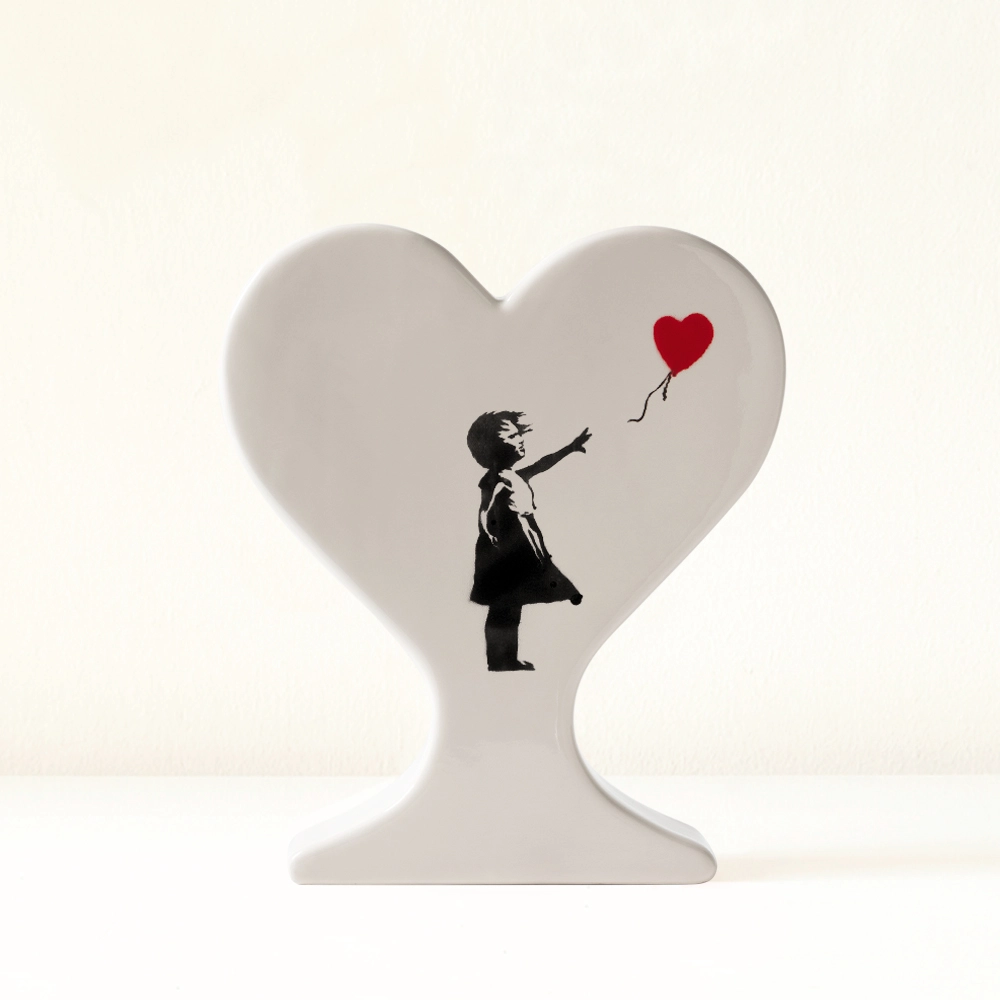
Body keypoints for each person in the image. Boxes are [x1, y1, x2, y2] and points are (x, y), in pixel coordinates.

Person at [466, 411, 590, 671]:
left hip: (519, 546)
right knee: (504, 609)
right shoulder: (497, 480)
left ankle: (505, 659)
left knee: (511, 608)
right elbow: (485, 510)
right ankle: (500, 660)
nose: (521, 439)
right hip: (505, 551)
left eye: (519, 434)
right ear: (495, 448)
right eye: (513, 436)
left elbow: (543, 464)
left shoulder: (515, 475)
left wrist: (570, 448)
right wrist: (490, 533)